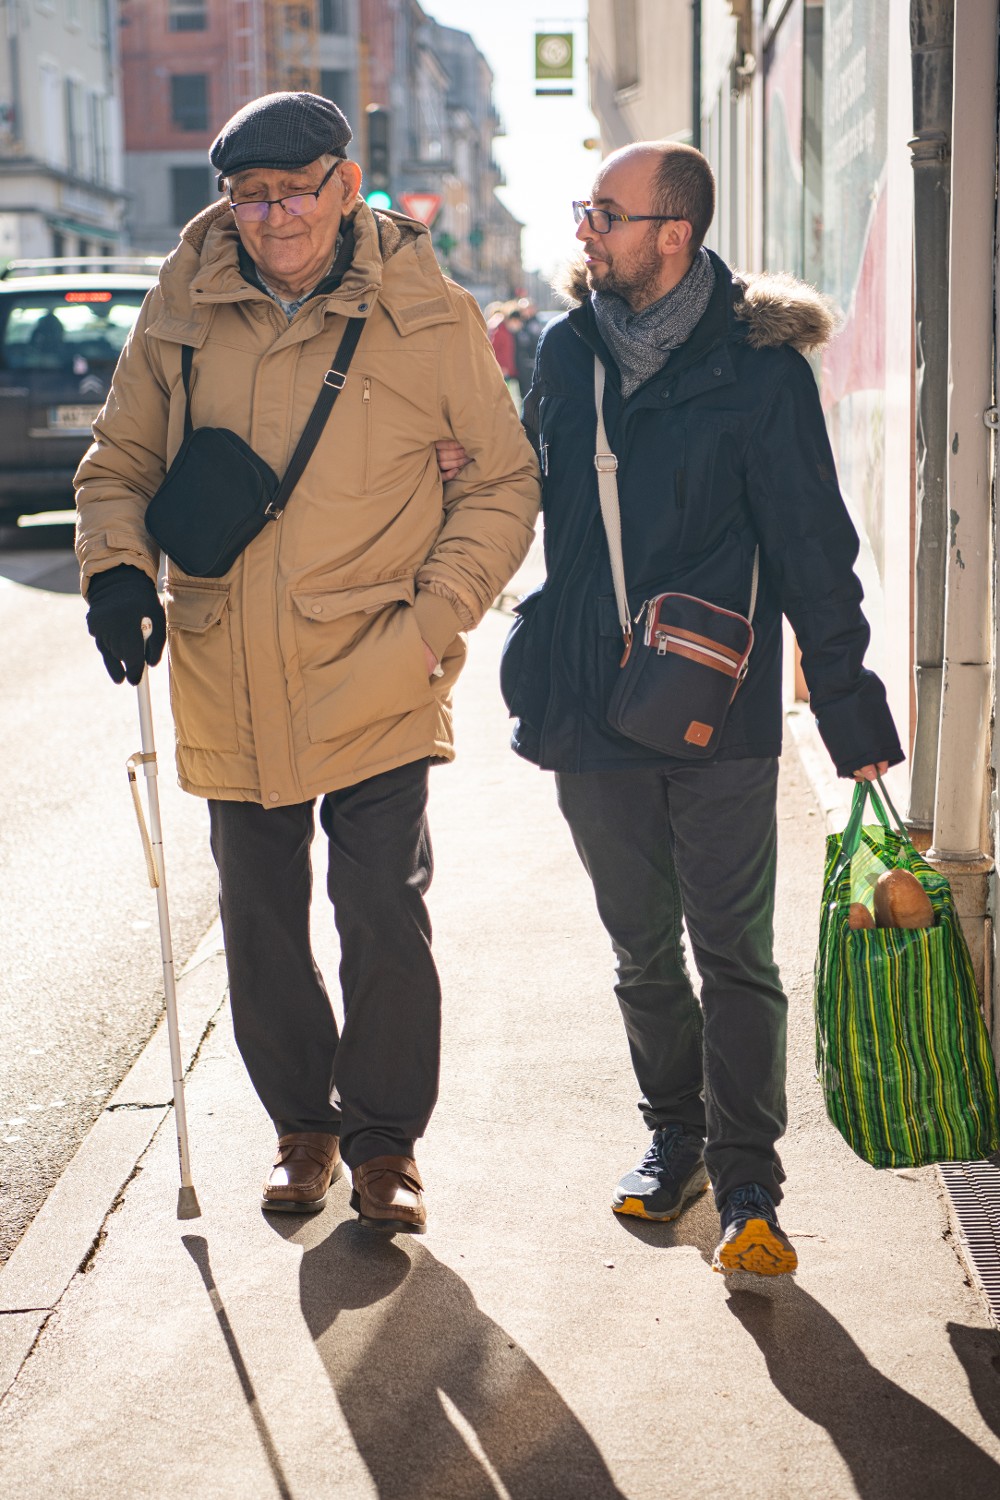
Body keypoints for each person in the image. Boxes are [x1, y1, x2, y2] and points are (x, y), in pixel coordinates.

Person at [75, 92, 539, 1235]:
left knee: (381, 906)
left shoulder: (426, 312)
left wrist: (435, 618)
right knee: (260, 919)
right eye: (251, 195)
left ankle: (386, 1145)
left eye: (296, 190)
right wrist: (118, 573)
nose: (275, 215)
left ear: (345, 185)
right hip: (228, 662)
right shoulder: (182, 308)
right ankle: (304, 1131)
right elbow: (119, 462)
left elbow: (499, 479)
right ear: (226, 200)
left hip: (379, 654)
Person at [498, 142, 904, 1275]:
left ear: (672, 233)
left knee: (732, 953)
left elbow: (813, 548)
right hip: (590, 704)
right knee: (640, 952)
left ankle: (749, 1183)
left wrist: (849, 710)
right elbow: (523, 491)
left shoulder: (760, 372)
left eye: (606, 213)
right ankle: (673, 1135)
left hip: (717, 708)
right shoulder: (566, 350)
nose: (585, 229)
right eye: (586, 210)